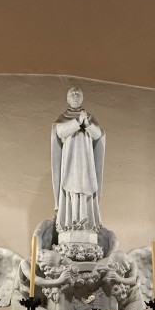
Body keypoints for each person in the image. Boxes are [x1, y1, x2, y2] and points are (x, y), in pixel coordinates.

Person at [51, 87, 106, 232]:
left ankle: (87, 223)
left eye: (78, 94)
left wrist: (86, 123)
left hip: (86, 164)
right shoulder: (63, 118)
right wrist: (77, 121)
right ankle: (70, 222)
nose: (75, 95)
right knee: (70, 189)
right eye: (72, 94)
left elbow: (98, 135)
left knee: (86, 189)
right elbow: (60, 131)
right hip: (70, 163)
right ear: (67, 99)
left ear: (82, 98)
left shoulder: (89, 118)